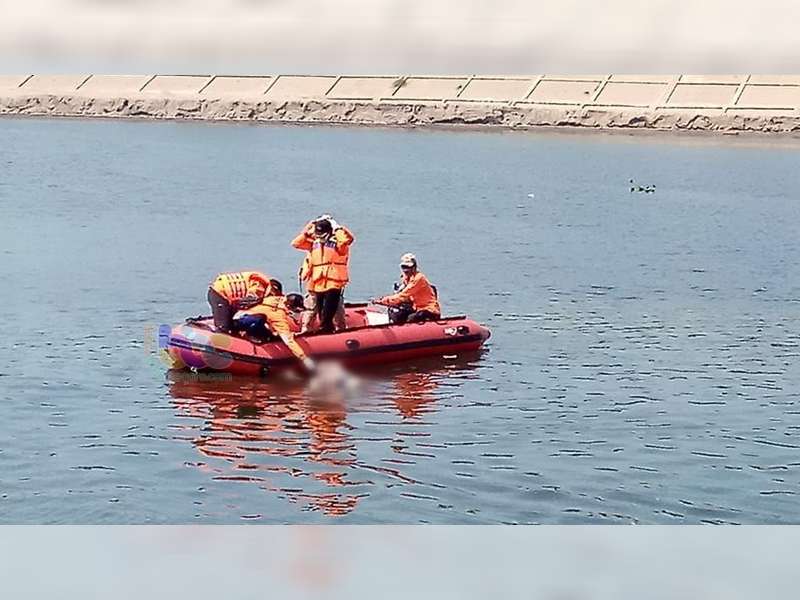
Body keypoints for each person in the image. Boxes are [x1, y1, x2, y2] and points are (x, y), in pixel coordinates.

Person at [292, 215, 354, 334]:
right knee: (319, 309)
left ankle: (327, 328)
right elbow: (296, 243)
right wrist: (311, 225)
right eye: (317, 234)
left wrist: (336, 227)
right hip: (317, 281)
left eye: (322, 234)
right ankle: (323, 329)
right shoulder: (314, 243)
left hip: (333, 281)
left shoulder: (339, 244)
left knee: (329, 310)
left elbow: (346, 240)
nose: (319, 237)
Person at [234, 280, 315, 371]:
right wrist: (304, 358)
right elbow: (289, 341)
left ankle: (248, 331)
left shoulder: (273, 298)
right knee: (262, 322)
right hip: (243, 322)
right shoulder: (278, 316)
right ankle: (248, 334)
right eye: (294, 309)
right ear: (289, 306)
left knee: (268, 328)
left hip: (238, 315)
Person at [372, 253, 441, 324]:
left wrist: (384, 300)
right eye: (403, 267)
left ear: (414, 267)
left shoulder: (419, 278)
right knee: (397, 316)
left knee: (411, 318)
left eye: (408, 267)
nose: (405, 270)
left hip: (429, 310)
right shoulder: (406, 278)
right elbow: (403, 296)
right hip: (416, 308)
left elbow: (403, 295)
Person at [207, 270, 272, 333]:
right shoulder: (259, 287)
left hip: (230, 296)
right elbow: (248, 300)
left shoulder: (259, 283)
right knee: (223, 328)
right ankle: (220, 337)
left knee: (230, 323)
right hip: (220, 294)